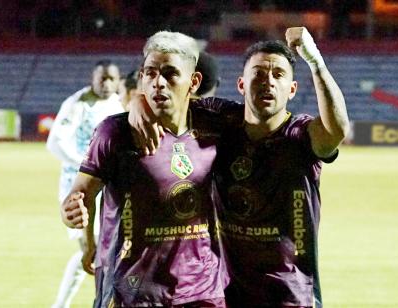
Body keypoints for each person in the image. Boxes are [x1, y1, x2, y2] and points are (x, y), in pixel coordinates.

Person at [128, 26, 349, 307]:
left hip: (291, 294)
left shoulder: (300, 135)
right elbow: (168, 100)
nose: (267, 82)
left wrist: (315, 62)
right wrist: (138, 101)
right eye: (258, 73)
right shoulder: (220, 120)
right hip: (227, 292)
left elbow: (336, 130)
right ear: (242, 84)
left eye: (278, 75)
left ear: (292, 89)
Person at [60, 31, 237, 307]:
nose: (158, 83)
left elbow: (267, 115)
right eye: (150, 73)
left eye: (169, 74)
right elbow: (80, 193)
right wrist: (72, 210)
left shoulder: (216, 123)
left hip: (202, 291)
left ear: (194, 82)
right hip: (132, 292)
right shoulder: (115, 132)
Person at [47, 60, 122, 308]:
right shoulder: (78, 104)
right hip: (77, 187)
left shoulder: (116, 103)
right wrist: (85, 164)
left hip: (108, 189)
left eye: (111, 78)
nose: (107, 83)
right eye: (102, 78)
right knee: (91, 249)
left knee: (101, 249)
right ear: (93, 78)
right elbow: (55, 143)